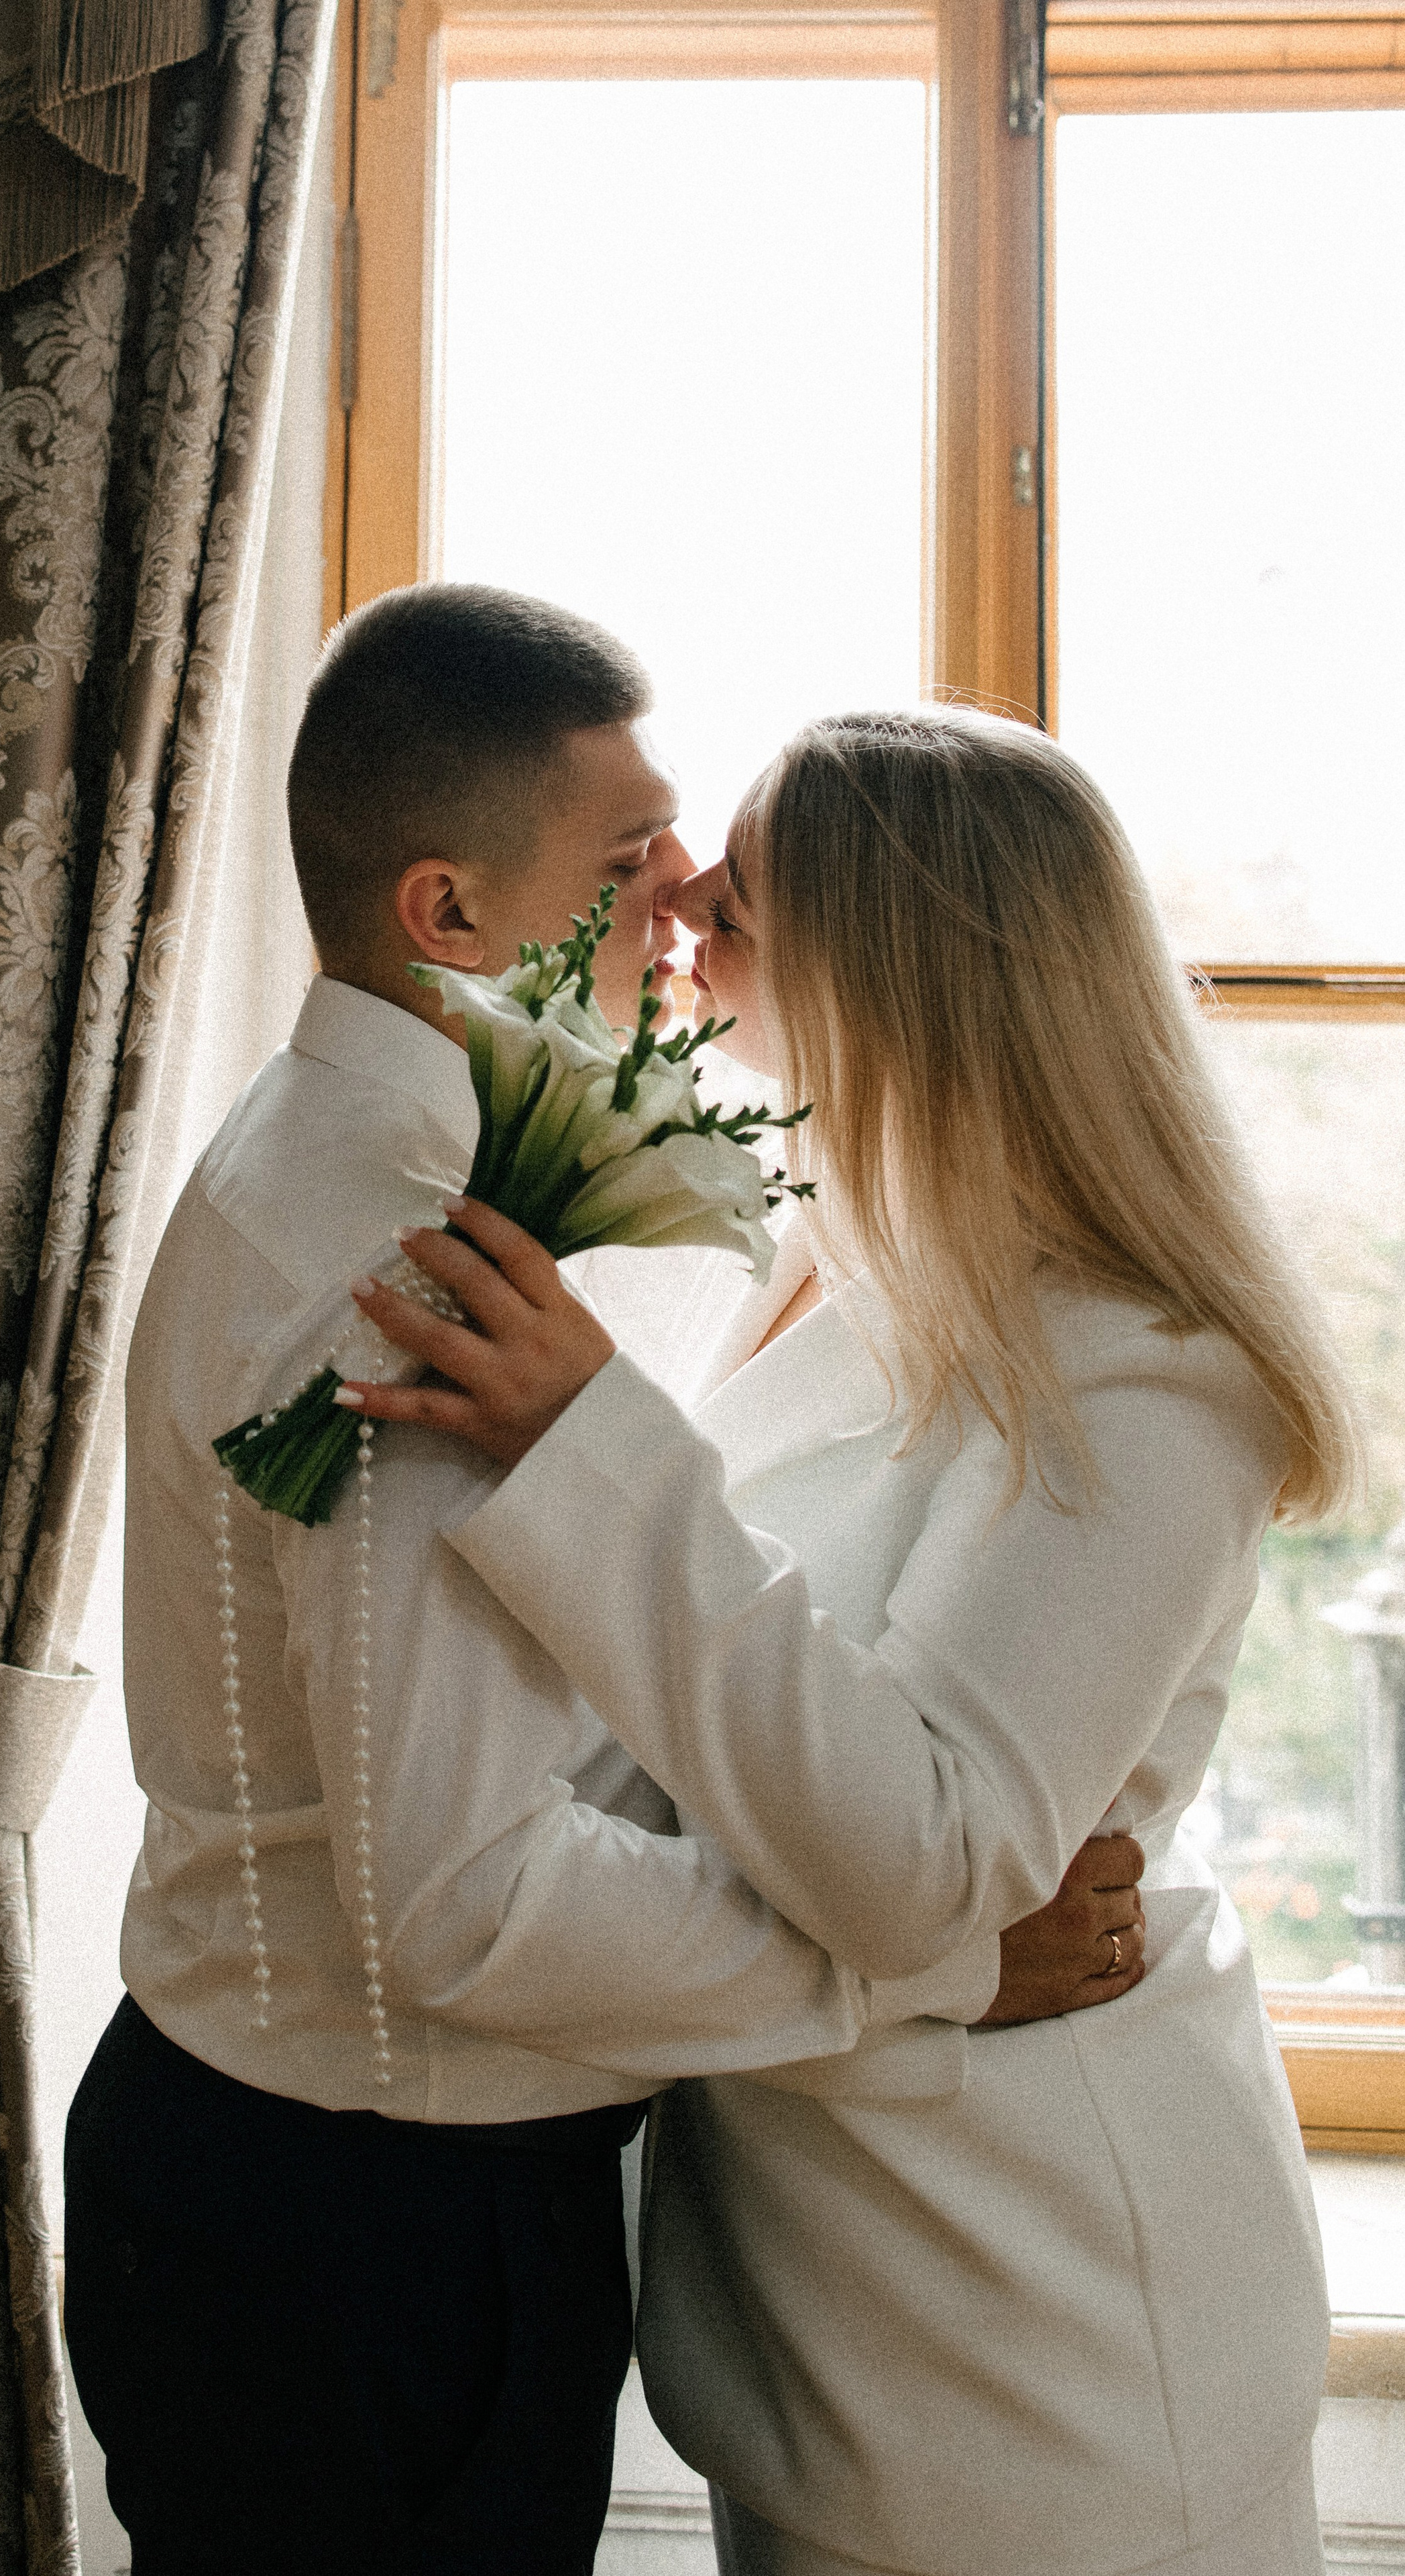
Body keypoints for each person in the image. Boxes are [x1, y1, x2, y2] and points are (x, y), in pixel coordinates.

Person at [63, 599, 1137, 2575]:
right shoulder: (402, 1267)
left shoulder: (356, 1152)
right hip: (365, 2233)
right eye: (628, 866)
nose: (687, 902)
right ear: (452, 913)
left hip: (291, 2183)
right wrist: (936, 1961)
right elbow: (475, 1905)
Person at [345, 704, 1359, 2576]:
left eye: (736, 892)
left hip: (1049, 2334)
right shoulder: (816, 1257)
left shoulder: (1152, 1380)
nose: (683, 906)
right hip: (820, 2305)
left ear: (893, 975)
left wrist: (589, 1454)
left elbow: (925, 1856)